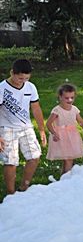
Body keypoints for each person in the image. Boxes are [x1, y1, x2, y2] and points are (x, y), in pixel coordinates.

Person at [0, 59, 47, 194]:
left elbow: (36, 108)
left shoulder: (30, 87)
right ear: (12, 73)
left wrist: (42, 129)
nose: (23, 81)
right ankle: (11, 193)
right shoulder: (2, 88)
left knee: (34, 156)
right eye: (20, 78)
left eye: (26, 78)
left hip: (26, 127)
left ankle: (24, 187)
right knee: (11, 162)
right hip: (6, 128)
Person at [46, 84, 83, 175]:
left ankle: (64, 177)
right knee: (68, 159)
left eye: (72, 98)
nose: (70, 100)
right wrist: (54, 133)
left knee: (68, 159)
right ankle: (67, 179)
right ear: (60, 97)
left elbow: (80, 121)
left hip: (72, 136)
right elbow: (48, 123)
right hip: (61, 136)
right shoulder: (57, 110)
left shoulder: (74, 109)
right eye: (67, 98)